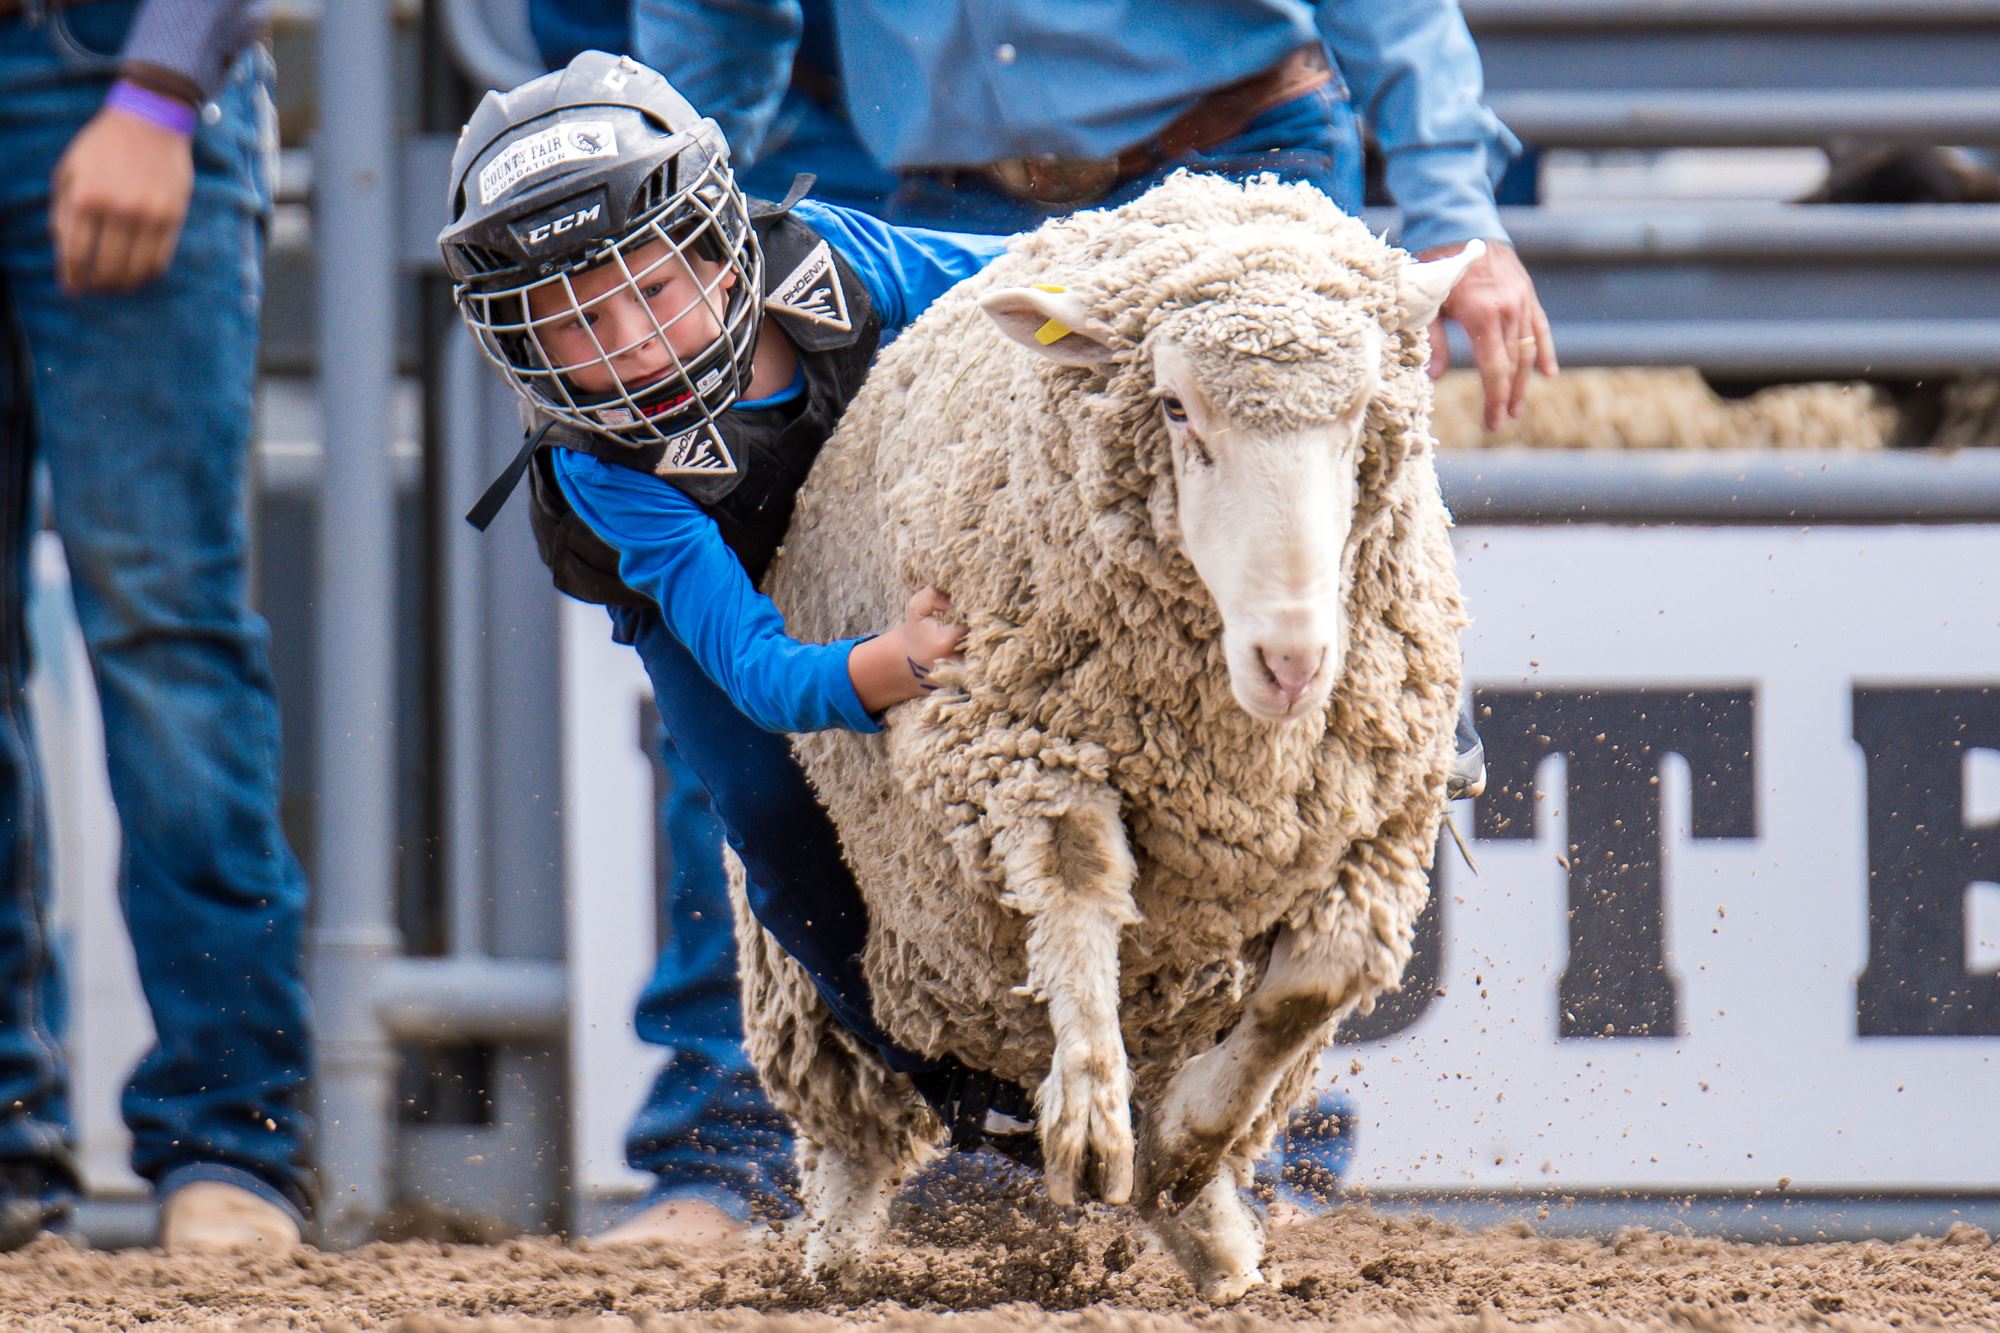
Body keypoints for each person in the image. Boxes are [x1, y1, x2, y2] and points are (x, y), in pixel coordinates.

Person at [442, 50, 1019, 1248]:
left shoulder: (836, 267)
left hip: (885, 534)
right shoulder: (602, 465)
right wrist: (897, 663)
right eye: (575, 324)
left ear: (718, 246)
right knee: (763, 807)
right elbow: (760, 676)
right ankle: (951, 1082)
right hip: (731, 605)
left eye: (650, 291)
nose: (632, 346)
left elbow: (1033, 286)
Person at [0, 0, 311, 1249]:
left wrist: (161, 84)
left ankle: (230, 1143)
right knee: (162, 634)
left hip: (107, 62)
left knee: (163, 631)